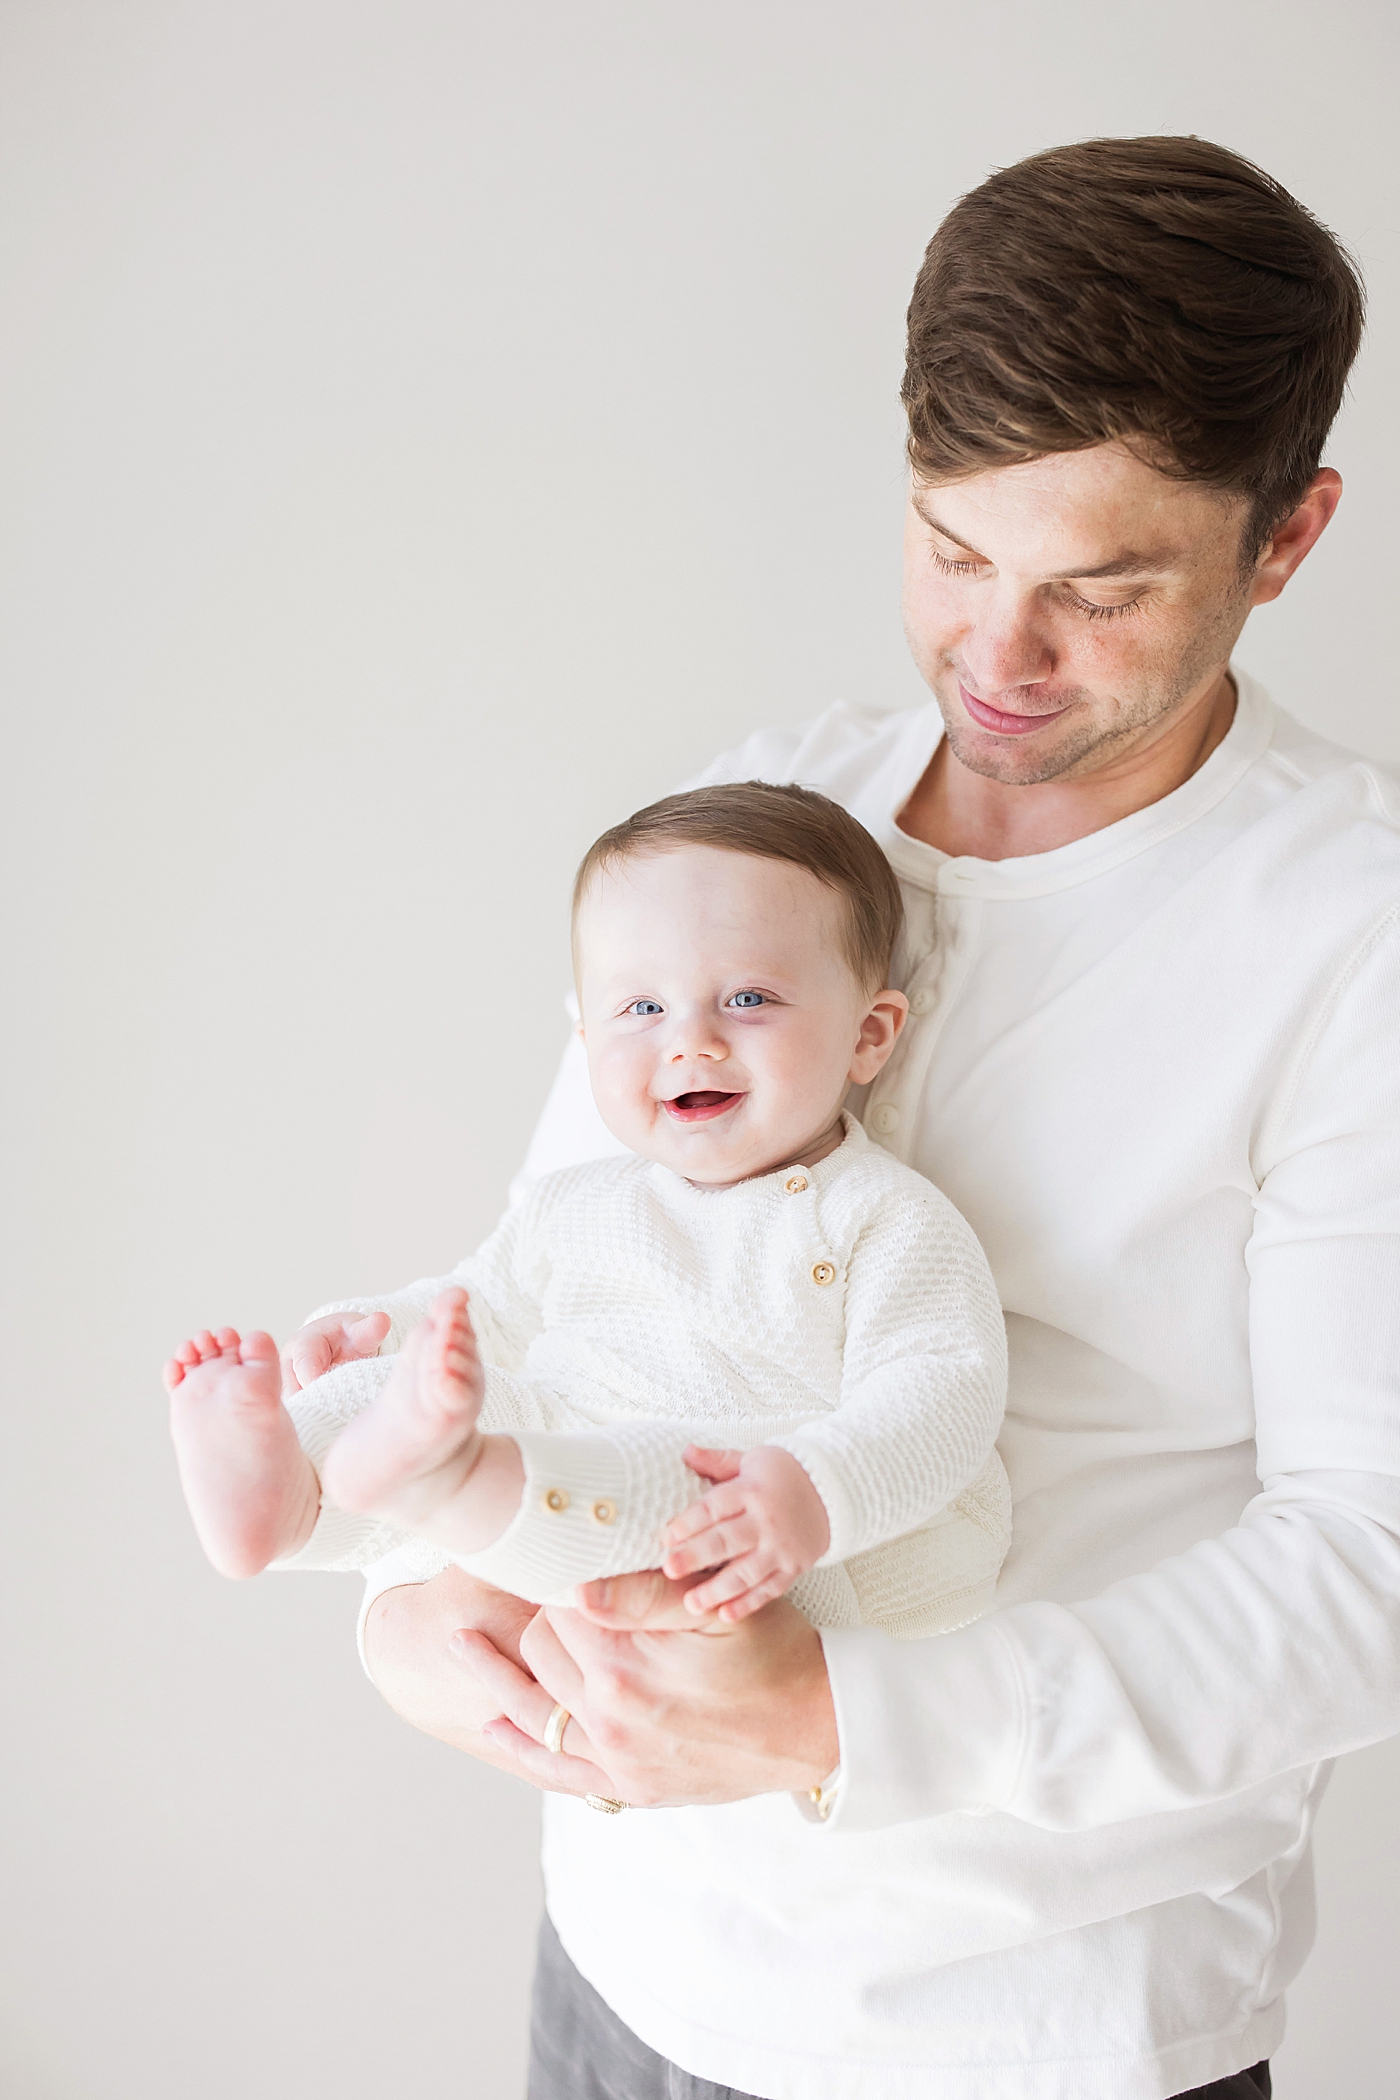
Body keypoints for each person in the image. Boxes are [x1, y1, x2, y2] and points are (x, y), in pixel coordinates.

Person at [291, 136, 1395, 2100]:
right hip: (625, 1974)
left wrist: (832, 1717)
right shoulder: (772, 809)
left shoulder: (1351, 933)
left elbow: (1362, 1570)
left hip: (1037, 2034)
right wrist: (410, 1605)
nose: (997, 655)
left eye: (1099, 587)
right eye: (953, 550)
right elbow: (554, 1278)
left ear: (1287, 536)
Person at [165, 784, 1011, 1653]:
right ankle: (285, 1499)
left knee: (652, 1490)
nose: (692, 1042)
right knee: (409, 1391)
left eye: (749, 999)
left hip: (755, 1514)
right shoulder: (582, 1203)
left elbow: (941, 1391)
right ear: (588, 1039)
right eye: (643, 1008)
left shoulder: (883, 1217)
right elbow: (483, 1308)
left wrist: (814, 1486)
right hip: (552, 1447)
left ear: (869, 1035)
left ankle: (443, 1479)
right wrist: (380, 1333)